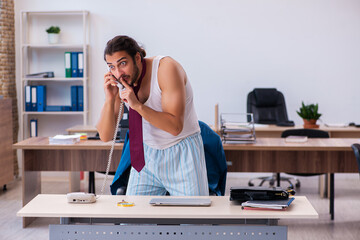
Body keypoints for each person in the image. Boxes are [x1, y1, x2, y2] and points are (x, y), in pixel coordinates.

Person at [96, 35, 208, 196]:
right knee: (132, 217)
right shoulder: (121, 81)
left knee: (193, 217)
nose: (118, 73)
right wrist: (110, 98)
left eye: (123, 63)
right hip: (146, 156)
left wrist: (137, 106)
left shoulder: (166, 68)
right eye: (111, 67)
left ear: (137, 57)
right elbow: (105, 136)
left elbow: (175, 127)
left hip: (182, 152)